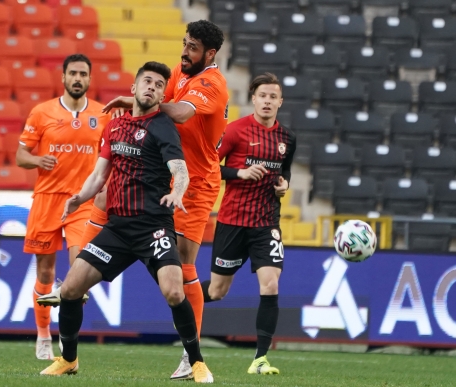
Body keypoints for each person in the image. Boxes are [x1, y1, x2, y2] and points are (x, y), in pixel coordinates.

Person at [39, 61, 214, 383]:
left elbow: (180, 170)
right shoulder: (114, 127)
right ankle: (68, 358)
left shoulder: (163, 127)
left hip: (153, 227)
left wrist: (177, 192)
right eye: (147, 81)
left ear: (163, 94)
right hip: (118, 229)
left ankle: (197, 361)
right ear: (133, 88)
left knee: (174, 292)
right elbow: (99, 174)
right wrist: (79, 197)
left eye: (160, 85)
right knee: (70, 289)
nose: (153, 87)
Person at [102, 20, 228, 380]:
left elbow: (178, 111)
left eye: (192, 47)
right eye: (184, 43)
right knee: (104, 200)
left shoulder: (212, 84)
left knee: (186, 266)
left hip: (198, 181)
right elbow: (159, 102)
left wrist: (132, 100)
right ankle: (82, 274)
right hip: (165, 172)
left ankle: (193, 355)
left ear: (210, 54)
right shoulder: (180, 71)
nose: (184, 52)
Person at [201, 73, 296, 375]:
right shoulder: (235, 131)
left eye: (273, 96)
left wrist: (284, 186)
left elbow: (285, 173)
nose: (267, 101)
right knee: (217, 291)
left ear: (280, 101)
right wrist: (239, 173)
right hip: (232, 221)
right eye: (262, 95)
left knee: (270, 284)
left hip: (266, 224)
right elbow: (209, 167)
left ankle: (259, 359)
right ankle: (181, 294)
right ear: (253, 99)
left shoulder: (287, 139)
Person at [16, 54, 110, 360]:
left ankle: (67, 337)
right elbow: (20, 156)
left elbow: (108, 157)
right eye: (73, 73)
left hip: (81, 201)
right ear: (64, 78)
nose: (78, 78)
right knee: (45, 271)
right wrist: (36, 160)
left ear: (89, 79)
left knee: (80, 269)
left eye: (83, 74)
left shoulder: (101, 113)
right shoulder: (42, 112)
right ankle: (43, 334)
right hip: (47, 198)